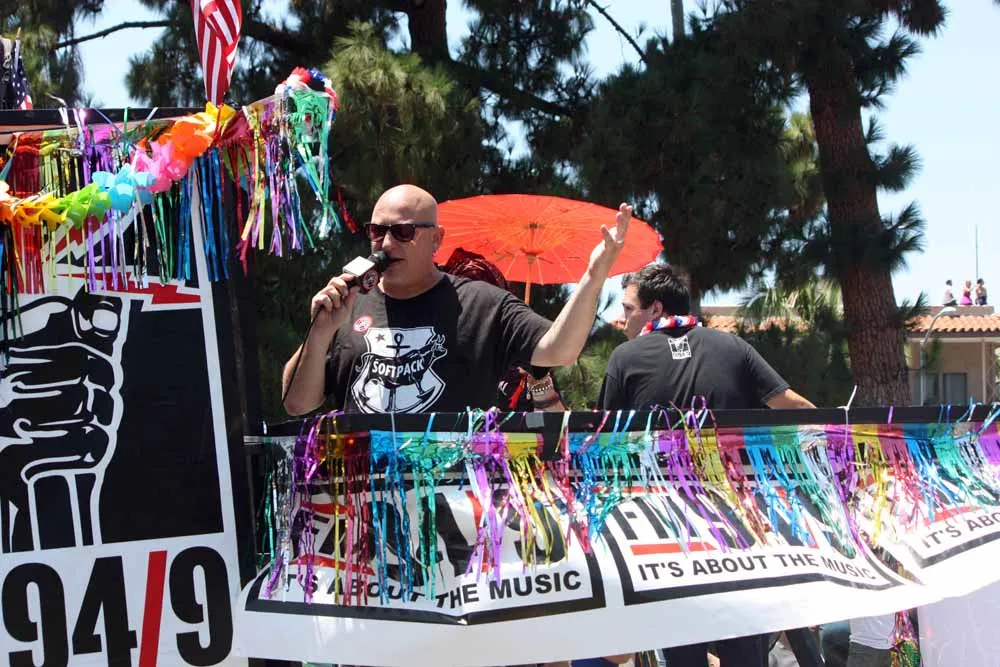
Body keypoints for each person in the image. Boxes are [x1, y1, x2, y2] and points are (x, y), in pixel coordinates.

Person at [599, 264, 814, 667]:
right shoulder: (733, 348)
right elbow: (793, 407)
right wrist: (836, 455)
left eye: (628, 308)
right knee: (745, 652)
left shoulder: (624, 358)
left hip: (665, 537)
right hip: (738, 531)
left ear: (655, 308)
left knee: (683, 655)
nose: (621, 318)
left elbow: (605, 446)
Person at [281, 184, 631, 415]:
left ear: (436, 239)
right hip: (364, 496)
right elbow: (296, 404)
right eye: (377, 231)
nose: (386, 244)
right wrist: (320, 332)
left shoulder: (483, 304)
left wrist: (594, 276)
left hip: (451, 494)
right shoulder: (348, 304)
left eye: (403, 232)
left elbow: (560, 350)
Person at [441, 247, 565, 412]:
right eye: (463, 301)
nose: (472, 310)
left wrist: (539, 381)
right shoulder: (437, 355)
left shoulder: (524, 354)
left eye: (483, 299)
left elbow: (557, 424)